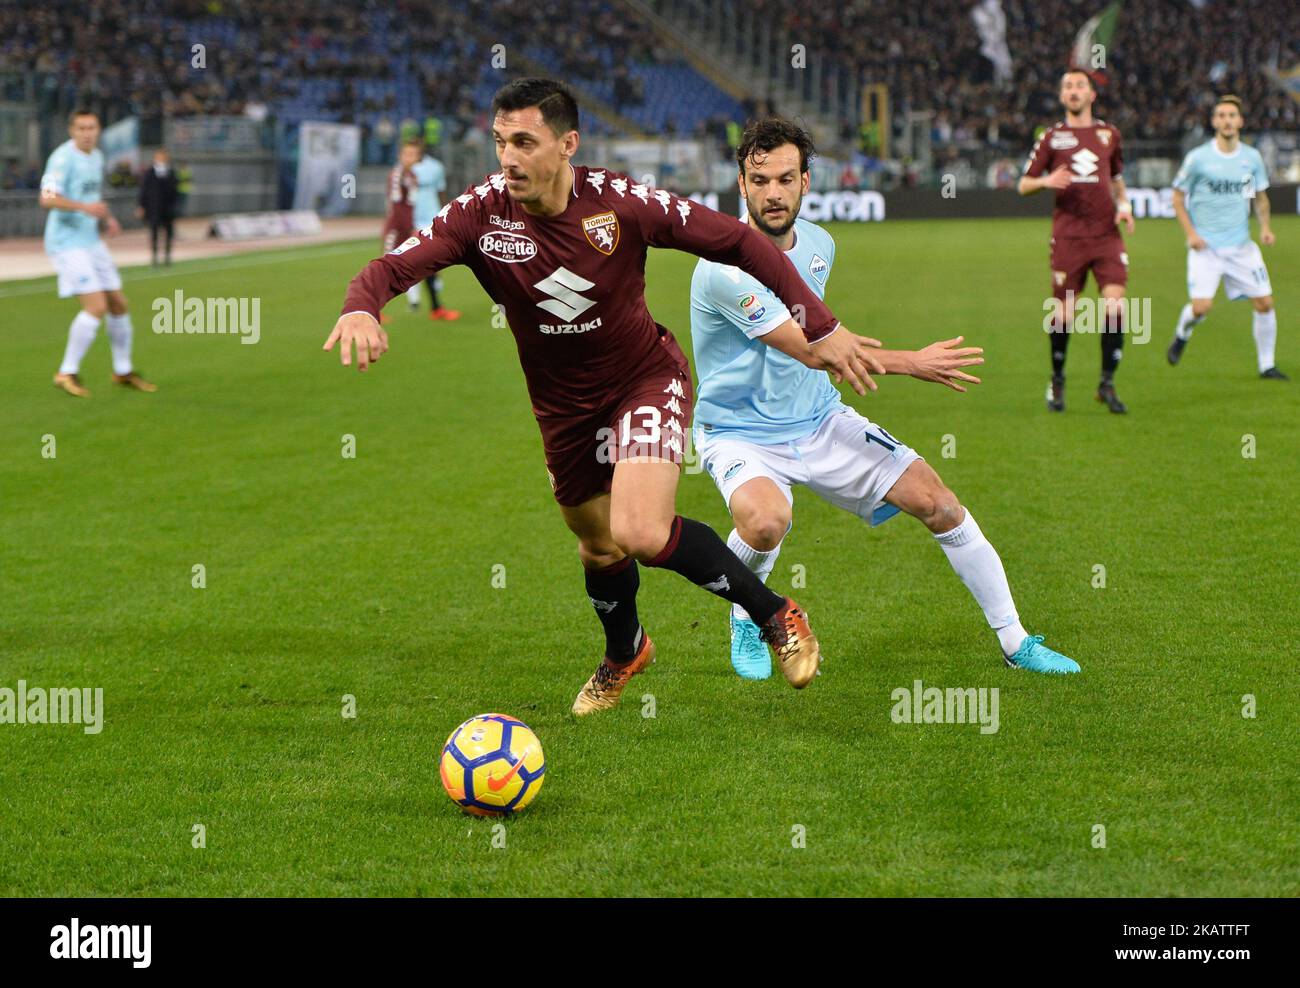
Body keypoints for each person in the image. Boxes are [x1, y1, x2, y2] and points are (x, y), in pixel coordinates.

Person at [324, 78, 888, 713]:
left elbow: (737, 241)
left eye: (524, 142)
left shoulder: (621, 204)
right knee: (598, 544)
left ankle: (776, 613)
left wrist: (820, 322)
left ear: (567, 144)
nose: (508, 158)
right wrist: (361, 307)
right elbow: (391, 267)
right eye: (500, 141)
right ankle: (626, 652)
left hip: (644, 380)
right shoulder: (477, 215)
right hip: (562, 408)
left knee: (640, 530)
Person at [692, 117, 1080, 678]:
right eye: (759, 181)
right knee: (766, 522)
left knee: (939, 503)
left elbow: (821, 341)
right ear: (741, 183)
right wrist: (911, 363)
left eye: (784, 179)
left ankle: (1016, 642)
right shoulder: (723, 267)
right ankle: (745, 615)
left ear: (806, 181)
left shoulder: (821, 243)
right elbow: (810, 348)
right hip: (740, 432)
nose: (772, 194)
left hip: (818, 418)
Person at [1019, 69, 1134, 414]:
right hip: (1068, 237)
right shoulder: (1053, 137)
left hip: (1106, 236)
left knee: (1115, 307)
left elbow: (1116, 179)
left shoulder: (1108, 134)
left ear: (1091, 95)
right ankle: (1057, 379)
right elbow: (1024, 185)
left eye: (1079, 85)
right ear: (1061, 95)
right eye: (1067, 85)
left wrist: (1125, 206)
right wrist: (1046, 180)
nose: (1073, 90)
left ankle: (1107, 384)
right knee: (1064, 314)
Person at [1167, 95, 1287, 380]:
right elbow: (1177, 197)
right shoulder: (1199, 159)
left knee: (1265, 303)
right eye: (1221, 115)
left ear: (1241, 121)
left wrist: (1266, 228)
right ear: (1214, 122)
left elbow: (1258, 197)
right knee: (1201, 308)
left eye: (1232, 115)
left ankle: (1266, 365)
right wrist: (1191, 234)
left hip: (1241, 246)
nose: (1227, 120)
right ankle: (1183, 332)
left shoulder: (1250, 158)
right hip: (1206, 247)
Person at [40, 110, 154, 397]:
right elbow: (47, 198)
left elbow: (92, 197)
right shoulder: (62, 159)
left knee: (118, 303)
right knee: (96, 307)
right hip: (67, 243)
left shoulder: (97, 156)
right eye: (81, 128)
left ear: (99, 130)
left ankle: (122, 370)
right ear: (72, 131)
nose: (87, 133)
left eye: (91, 127)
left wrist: (107, 217)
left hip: (90, 240)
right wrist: (83, 208)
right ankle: (66, 372)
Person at [409, 142, 459, 320]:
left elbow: (441, 190)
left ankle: (432, 301)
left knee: (429, 259)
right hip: (410, 219)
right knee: (412, 260)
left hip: (430, 216)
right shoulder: (401, 170)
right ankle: (416, 301)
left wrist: (443, 214)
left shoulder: (436, 167)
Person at [379, 139, 423, 321]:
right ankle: (374, 309)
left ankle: (414, 301)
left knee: (410, 265)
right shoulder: (397, 175)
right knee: (386, 268)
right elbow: (397, 208)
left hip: (406, 227)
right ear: (400, 156)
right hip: (396, 229)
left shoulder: (412, 176)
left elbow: (409, 206)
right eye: (406, 154)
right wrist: (407, 229)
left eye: (412, 154)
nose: (409, 158)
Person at [137, 147, 179, 266]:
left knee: (168, 233)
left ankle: (167, 257)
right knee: (154, 232)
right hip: (154, 208)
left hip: (168, 208)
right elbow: (143, 190)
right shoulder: (149, 172)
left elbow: (175, 190)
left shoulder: (171, 172)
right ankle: (154, 257)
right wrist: (141, 206)